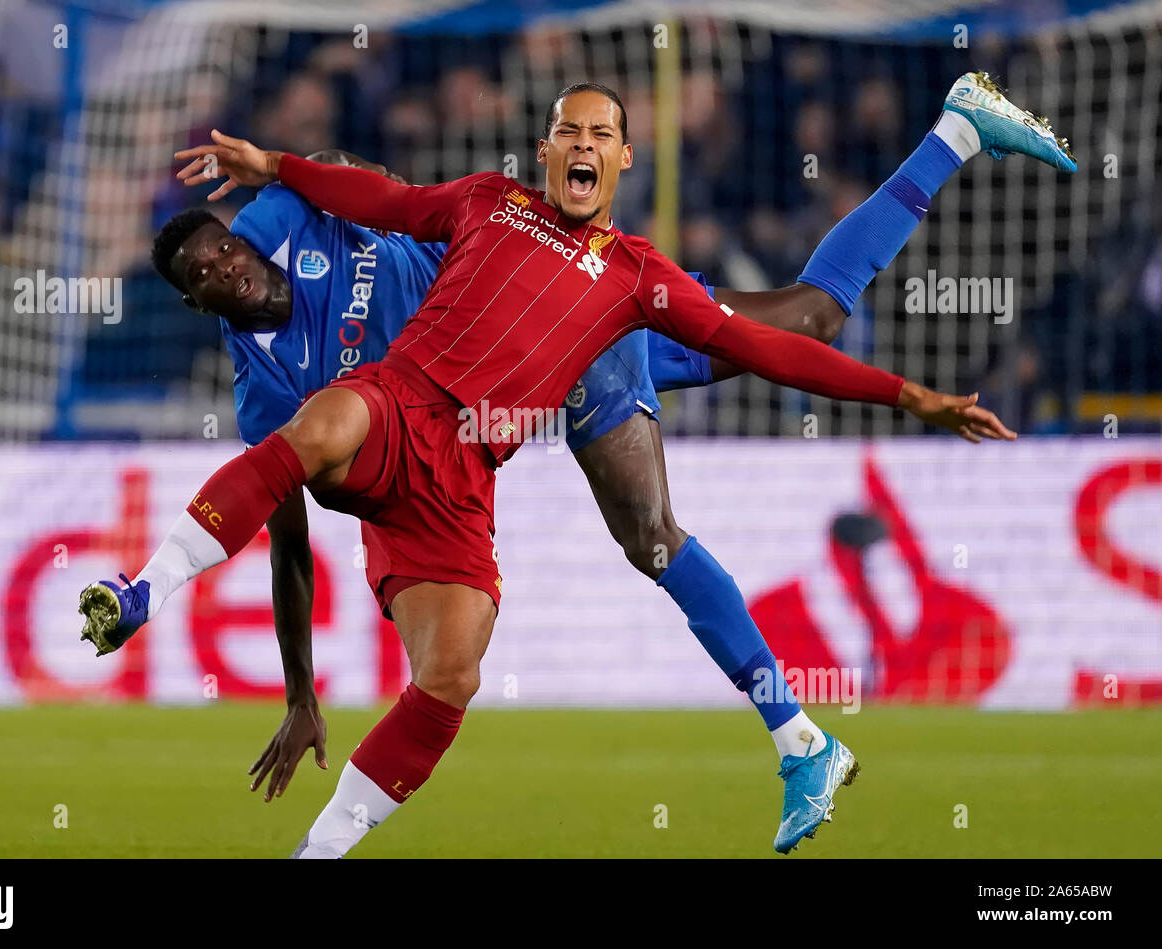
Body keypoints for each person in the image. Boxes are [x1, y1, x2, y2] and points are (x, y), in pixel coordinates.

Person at [77, 75, 1057, 856]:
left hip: (570, 340)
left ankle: (796, 734)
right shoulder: (267, 385)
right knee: (808, 313)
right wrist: (300, 689)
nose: (229, 266)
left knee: (653, 533)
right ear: (198, 303)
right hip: (475, 398)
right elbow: (283, 530)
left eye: (225, 249)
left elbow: (363, 184)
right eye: (206, 275)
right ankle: (956, 135)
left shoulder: (308, 221)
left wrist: (272, 159)